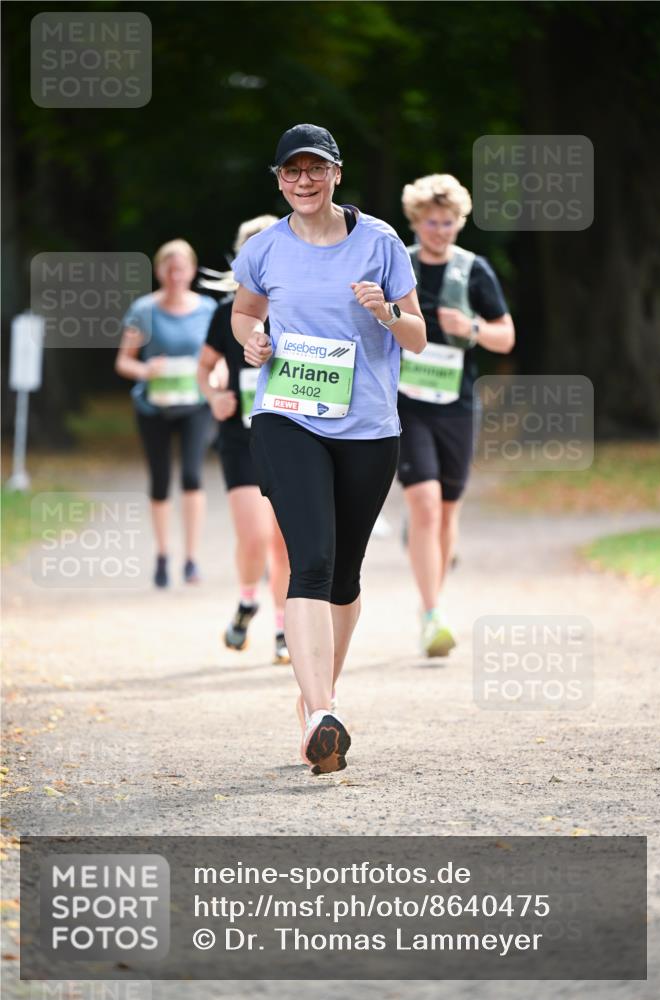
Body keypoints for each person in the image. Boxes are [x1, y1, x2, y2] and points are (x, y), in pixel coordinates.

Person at [231, 124, 426, 774]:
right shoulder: (264, 247)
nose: (303, 181)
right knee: (309, 559)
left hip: (368, 429)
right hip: (287, 417)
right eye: (292, 172)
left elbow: (418, 337)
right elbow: (244, 313)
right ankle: (318, 712)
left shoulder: (380, 243)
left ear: (336, 174)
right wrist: (251, 342)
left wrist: (387, 316)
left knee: (343, 577)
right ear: (279, 179)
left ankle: (322, 700)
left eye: (315, 169)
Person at [398, 174, 515, 655]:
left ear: (459, 222)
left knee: (447, 510)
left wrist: (469, 326)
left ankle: (435, 600)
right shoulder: (398, 265)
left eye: (448, 223)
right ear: (416, 220)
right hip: (406, 402)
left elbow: (505, 337)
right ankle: (430, 613)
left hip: (457, 404)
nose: (440, 231)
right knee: (423, 503)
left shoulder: (473, 270)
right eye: (431, 222)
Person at [196, 215, 291, 665]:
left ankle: (282, 630)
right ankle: (248, 599)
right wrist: (214, 395)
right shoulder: (225, 313)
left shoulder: (299, 305)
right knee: (254, 538)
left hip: (292, 436)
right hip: (241, 438)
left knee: (285, 541)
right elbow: (204, 367)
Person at [115, 239, 216, 587]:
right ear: (159, 271)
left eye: (181, 268)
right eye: (169, 269)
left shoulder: (207, 309)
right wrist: (147, 370)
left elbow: (216, 359)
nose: (175, 275)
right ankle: (162, 555)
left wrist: (214, 377)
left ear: (191, 270)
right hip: (153, 407)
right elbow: (124, 361)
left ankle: (191, 559)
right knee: (160, 480)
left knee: (191, 476)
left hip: (195, 405)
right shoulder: (143, 310)